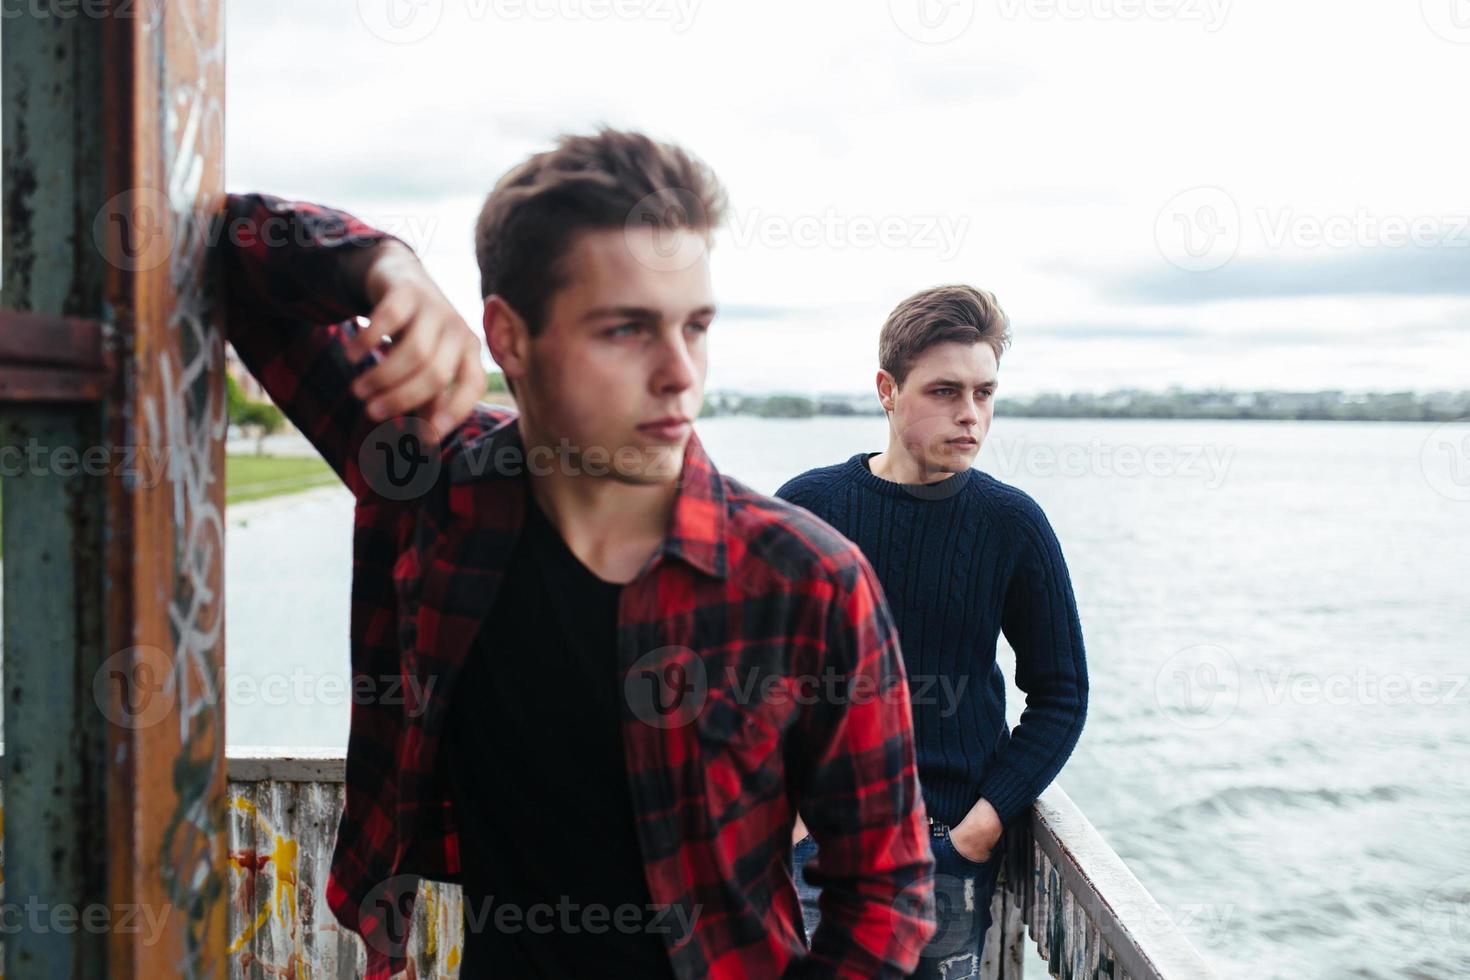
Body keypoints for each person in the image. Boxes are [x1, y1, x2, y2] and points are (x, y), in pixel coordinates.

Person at [217, 128, 936, 979]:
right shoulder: (430, 487)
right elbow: (224, 247)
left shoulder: (806, 580)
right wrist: (381, 265)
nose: (679, 374)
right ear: (508, 338)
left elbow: (886, 894)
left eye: (695, 326)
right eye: (627, 329)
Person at [776, 285, 1089, 978]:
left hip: (947, 863)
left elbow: (1061, 694)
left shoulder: (1012, 524)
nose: (971, 415)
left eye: (985, 393)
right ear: (888, 390)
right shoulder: (806, 509)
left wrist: (981, 829)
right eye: (946, 391)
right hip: (818, 859)